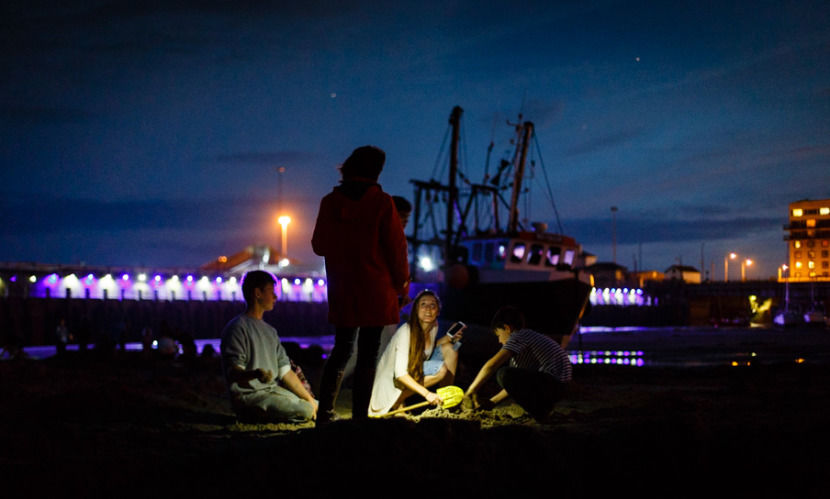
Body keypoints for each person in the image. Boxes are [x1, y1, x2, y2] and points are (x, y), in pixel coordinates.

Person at [312, 145, 410, 424]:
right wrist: (402, 285)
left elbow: (319, 245)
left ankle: (325, 412)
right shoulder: (382, 202)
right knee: (369, 353)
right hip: (376, 289)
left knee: (341, 349)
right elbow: (396, 249)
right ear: (376, 171)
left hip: (344, 288)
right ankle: (359, 418)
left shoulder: (330, 202)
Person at [220, 270, 317, 423]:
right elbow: (233, 372)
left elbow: (286, 372)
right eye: (271, 291)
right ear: (257, 293)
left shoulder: (270, 331)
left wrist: (309, 398)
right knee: (304, 410)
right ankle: (251, 416)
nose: (275, 297)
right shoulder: (237, 328)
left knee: (316, 405)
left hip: (272, 392)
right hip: (249, 397)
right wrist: (255, 374)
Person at [464, 306, 572, 422]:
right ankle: (544, 410)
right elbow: (514, 384)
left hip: (553, 384)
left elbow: (491, 365)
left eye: (499, 335)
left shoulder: (519, 335)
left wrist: (471, 390)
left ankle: (541, 413)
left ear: (507, 328)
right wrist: (492, 402)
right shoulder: (528, 339)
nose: (499, 341)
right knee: (509, 375)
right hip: (559, 386)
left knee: (503, 374)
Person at [369, 289, 464, 416]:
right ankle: (398, 400)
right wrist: (427, 394)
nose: (428, 309)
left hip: (415, 366)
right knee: (441, 369)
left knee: (451, 349)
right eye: (423, 304)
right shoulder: (406, 331)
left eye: (433, 305)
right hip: (394, 379)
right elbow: (400, 374)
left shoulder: (433, 326)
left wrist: (448, 338)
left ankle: (446, 401)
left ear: (438, 311)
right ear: (416, 310)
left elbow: (426, 350)